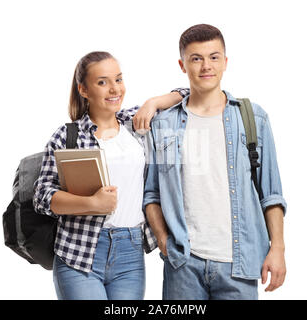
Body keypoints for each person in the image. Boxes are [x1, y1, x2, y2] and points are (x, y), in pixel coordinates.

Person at [143, 24, 287, 300]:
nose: (206, 66)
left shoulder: (253, 119)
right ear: (182, 65)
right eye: (196, 58)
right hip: (183, 264)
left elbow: (271, 194)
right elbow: (152, 194)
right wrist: (164, 242)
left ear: (225, 62)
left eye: (214, 57)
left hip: (239, 264)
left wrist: (277, 249)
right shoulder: (164, 124)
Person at [33, 51, 183, 300]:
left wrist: (152, 103)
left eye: (119, 79)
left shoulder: (135, 124)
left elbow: (185, 95)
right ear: (83, 90)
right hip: (80, 253)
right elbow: (42, 196)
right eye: (102, 82)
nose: (114, 89)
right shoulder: (68, 136)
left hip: (130, 252)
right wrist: (91, 203)